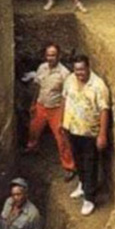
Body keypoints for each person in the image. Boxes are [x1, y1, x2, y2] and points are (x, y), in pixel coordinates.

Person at [61, 54, 109, 217]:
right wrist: (62, 122)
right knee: (78, 159)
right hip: (73, 128)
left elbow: (104, 110)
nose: (79, 73)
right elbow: (64, 99)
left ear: (88, 67)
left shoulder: (98, 86)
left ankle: (89, 198)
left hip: (89, 133)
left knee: (90, 164)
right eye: (76, 70)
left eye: (82, 69)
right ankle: (82, 184)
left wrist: (102, 134)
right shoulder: (70, 80)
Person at [22, 43, 76, 180]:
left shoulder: (65, 74)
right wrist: (33, 103)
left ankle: (69, 166)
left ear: (59, 56)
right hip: (41, 106)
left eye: (53, 55)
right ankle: (32, 148)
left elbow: (67, 96)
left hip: (56, 109)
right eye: (48, 55)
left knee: (61, 138)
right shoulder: (42, 68)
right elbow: (38, 87)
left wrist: (64, 115)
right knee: (33, 129)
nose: (50, 58)